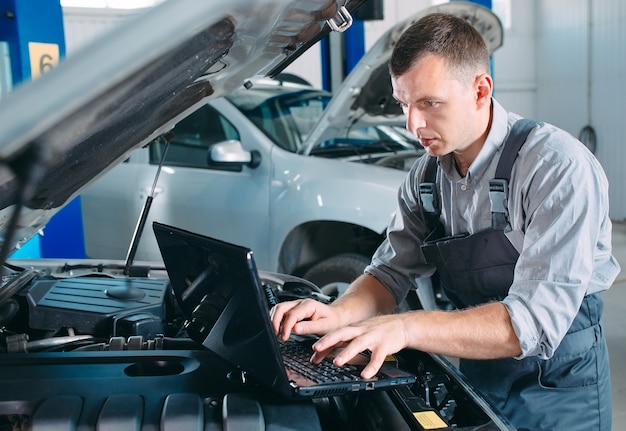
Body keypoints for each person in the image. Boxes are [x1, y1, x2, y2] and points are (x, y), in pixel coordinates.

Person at [270, 12, 621, 431]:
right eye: (404, 104)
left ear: (480, 90)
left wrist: (404, 327)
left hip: (559, 386)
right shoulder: (426, 177)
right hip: (478, 371)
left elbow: (532, 323)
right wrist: (337, 313)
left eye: (429, 103)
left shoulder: (556, 167)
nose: (412, 124)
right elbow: (388, 274)